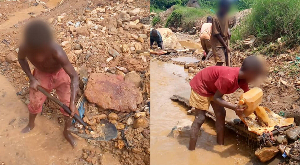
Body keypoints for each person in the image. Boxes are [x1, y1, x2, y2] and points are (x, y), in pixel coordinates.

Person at [18, 20, 79, 147]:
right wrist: (31, 78)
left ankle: (67, 132)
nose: (38, 55)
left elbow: (74, 76)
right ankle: (31, 124)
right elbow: (21, 59)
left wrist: (73, 103)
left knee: (68, 106)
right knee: (35, 101)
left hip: (60, 74)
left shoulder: (56, 51)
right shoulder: (25, 47)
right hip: (41, 75)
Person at [188, 56, 264, 150]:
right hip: (201, 85)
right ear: (250, 73)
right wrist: (234, 107)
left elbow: (250, 99)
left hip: (214, 88)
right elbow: (216, 98)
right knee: (200, 118)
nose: (256, 79)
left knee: (221, 113)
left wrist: (258, 114)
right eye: (256, 76)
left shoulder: (243, 80)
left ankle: (220, 144)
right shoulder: (229, 78)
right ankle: (191, 150)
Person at [211, 0, 231, 66]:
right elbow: (217, 34)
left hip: (225, 40)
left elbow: (227, 26)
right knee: (221, 61)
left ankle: (226, 74)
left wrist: (228, 30)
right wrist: (226, 46)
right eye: (226, 8)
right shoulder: (215, 18)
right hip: (217, 43)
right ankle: (215, 75)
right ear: (221, 7)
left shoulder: (226, 15)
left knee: (227, 58)